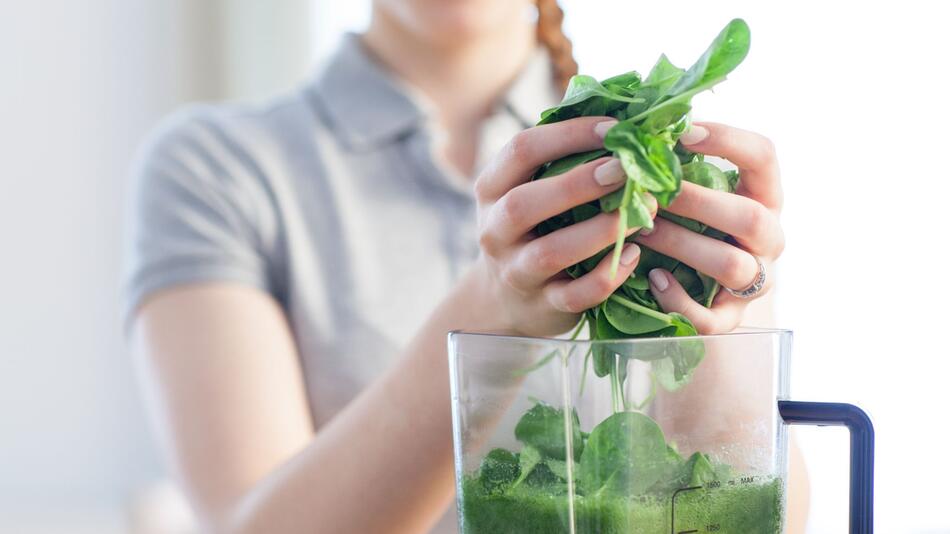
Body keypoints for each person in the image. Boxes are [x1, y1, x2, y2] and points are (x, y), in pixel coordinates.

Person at [125, 0, 800, 532]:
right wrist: (494, 305)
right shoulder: (216, 169)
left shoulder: (661, 156)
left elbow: (763, 517)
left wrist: (722, 311)